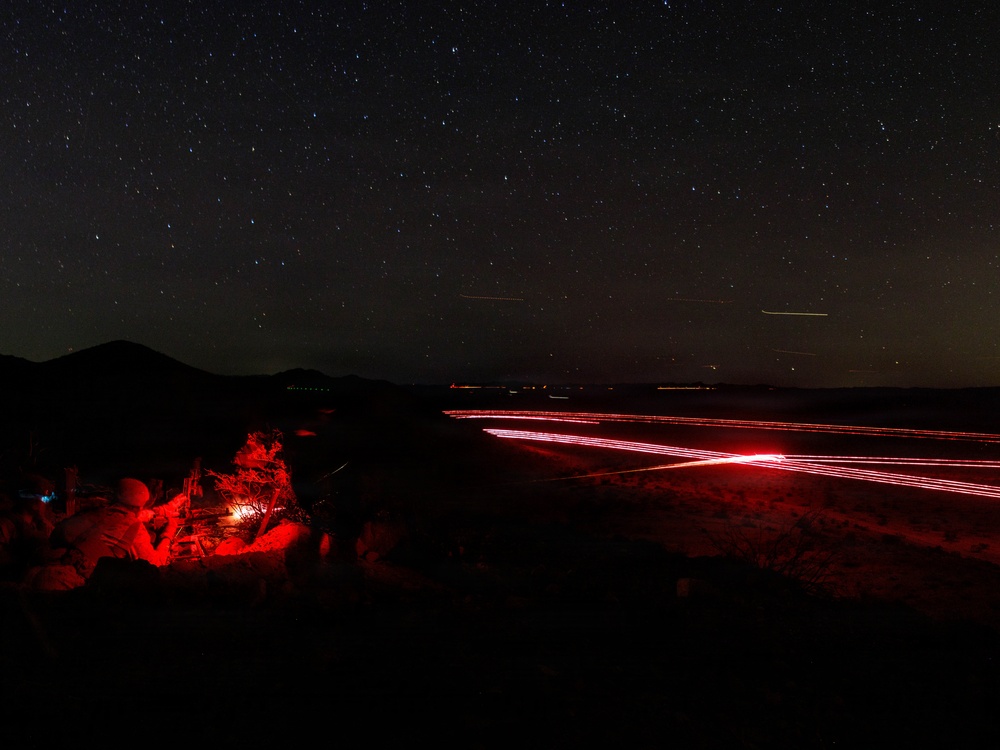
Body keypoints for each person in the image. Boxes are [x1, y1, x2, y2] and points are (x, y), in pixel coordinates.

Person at [50, 477, 181, 580]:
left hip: (55, 567)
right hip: (78, 580)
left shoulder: (101, 512)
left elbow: (138, 515)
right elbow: (155, 565)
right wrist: (168, 534)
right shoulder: (134, 525)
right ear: (140, 505)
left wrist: (163, 511)